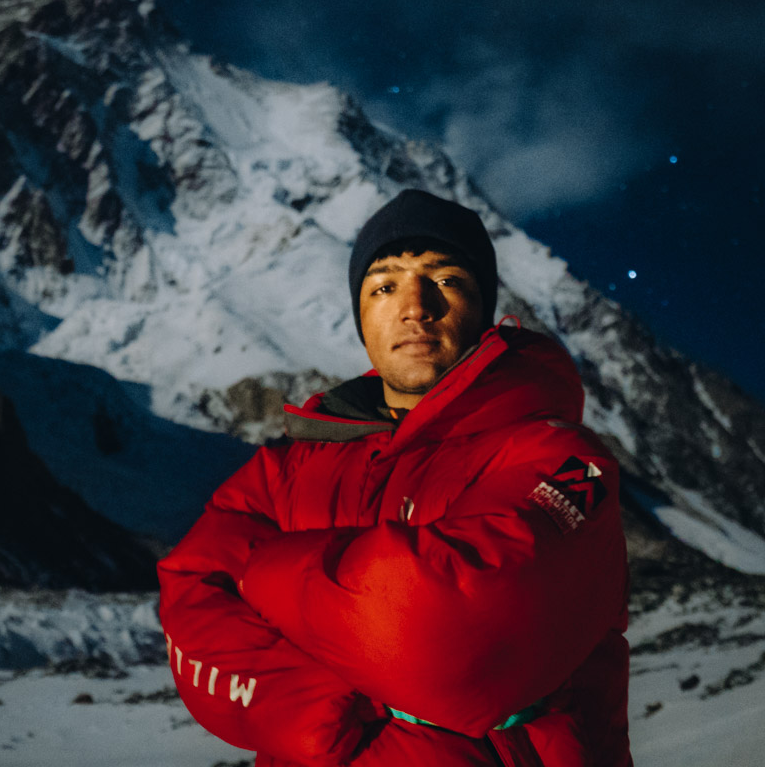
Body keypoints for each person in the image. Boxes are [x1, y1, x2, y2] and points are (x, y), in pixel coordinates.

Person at [158, 188, 631, 766]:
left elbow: (450, 623)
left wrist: (263, 571)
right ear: (362, 317)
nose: (415, 307)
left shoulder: (560, 457)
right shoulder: (289, 467)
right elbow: (189, 593)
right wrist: (312, 710)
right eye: (384, 286)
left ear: (484, 309)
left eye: (447, 280)